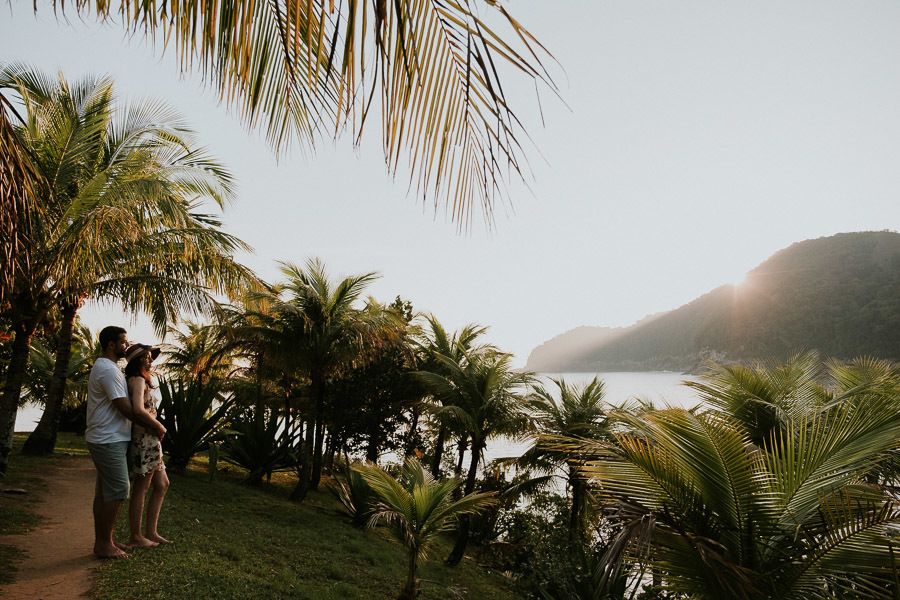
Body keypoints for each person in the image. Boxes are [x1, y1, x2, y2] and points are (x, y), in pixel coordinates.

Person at [86, 326, 166, 559]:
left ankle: (104, 540)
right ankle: (104, 544)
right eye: (123, 342)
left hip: (111, 437)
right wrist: (155, 425)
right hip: (107, 438)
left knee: (103, 492)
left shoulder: (110, 369)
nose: (126, 345)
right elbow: (127, 408)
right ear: (111, 344)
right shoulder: (109, 370)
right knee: (120, 489)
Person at [123, 343, 171, 547]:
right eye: (147, 357)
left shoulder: (145, 380)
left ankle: (151, 532)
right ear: (137, 361)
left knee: (162, 484)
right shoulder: (138, 380)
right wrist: (159, 425)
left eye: (151, 356)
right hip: (144, 439)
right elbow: (138, 409)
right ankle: (136, 536)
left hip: (151, 439)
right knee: (142, 488)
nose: (151, 360)